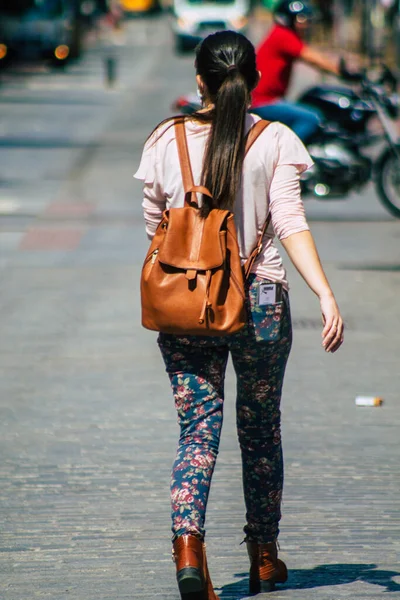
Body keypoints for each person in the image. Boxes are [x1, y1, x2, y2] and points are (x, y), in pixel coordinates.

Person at [134, 30, 344, 599]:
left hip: (185, 305)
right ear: (253, 82)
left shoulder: (165, 139)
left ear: (199, 80)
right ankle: (264, 556)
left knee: (196, 431)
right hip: (262, 301)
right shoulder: (274, 138)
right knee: (260, 429)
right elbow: (290, 221)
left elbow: (155, 226)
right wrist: (324, 293)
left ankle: (187, 545)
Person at [252, 0, 361, 142]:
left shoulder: (282, 35)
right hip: (264, 101)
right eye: (301, 19)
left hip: (269, 99)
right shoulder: (283, 35)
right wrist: (342, 72)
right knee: (311, 118)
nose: (306, 24)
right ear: (289, 19)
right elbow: (313, 58)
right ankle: (284, 155)